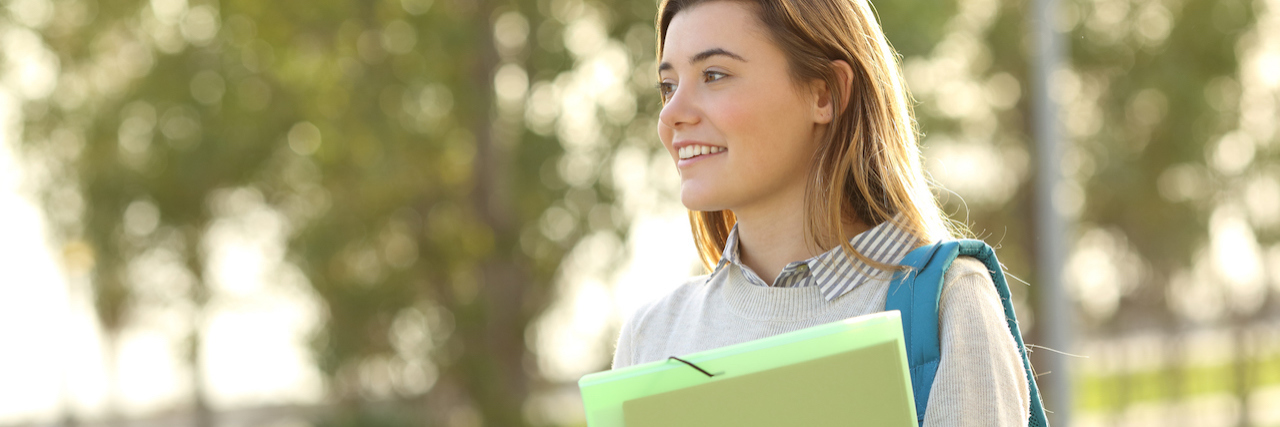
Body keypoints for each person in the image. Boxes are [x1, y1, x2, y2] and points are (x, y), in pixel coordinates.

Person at [610, 0, 1032, 425]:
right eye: (668, 86)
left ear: (824, 93)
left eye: (713, 75)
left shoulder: (950, 302)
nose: (671, 114)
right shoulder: (650, 336)